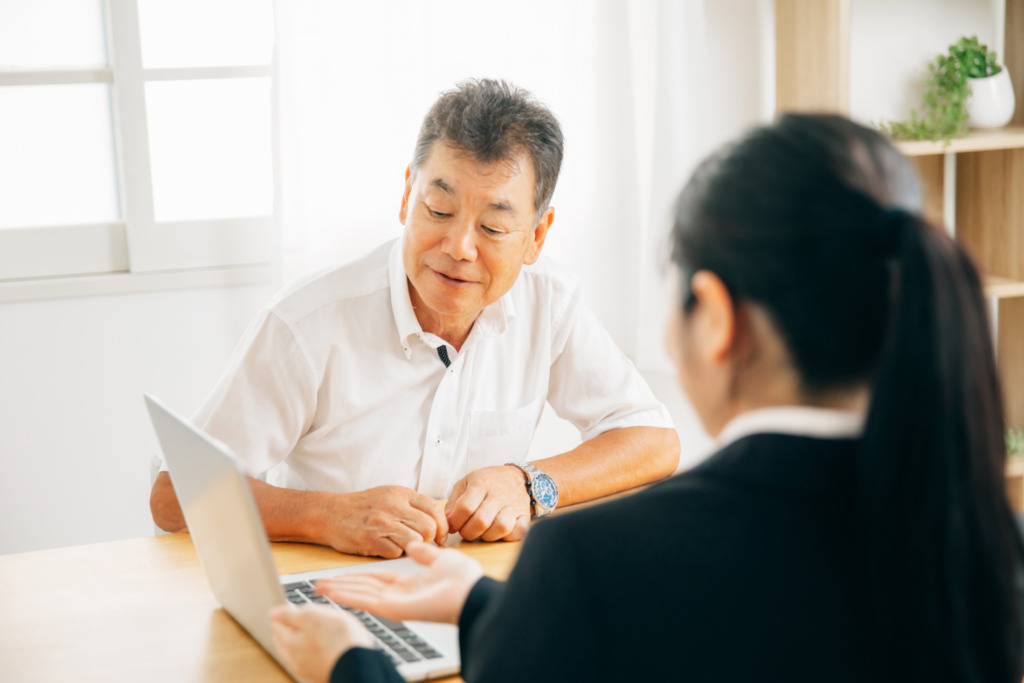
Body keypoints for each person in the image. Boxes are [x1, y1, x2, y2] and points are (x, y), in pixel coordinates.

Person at [267, 113, 1024, 682]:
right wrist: (480, 604)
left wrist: (349, 665)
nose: (461, 246)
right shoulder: (988, 543)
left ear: (717, 318)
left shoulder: (591, 561)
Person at [150, 79, 681, 558]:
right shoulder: (308, 322)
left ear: (536, 237)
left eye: (494, 229)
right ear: (408, 195)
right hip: (332, 593)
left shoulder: (550, 302)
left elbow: (653, 439)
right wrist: (326, 516)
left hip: (472, 595)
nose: (459, 248)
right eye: (439, 210)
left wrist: (529, 482)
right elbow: (174, 495)